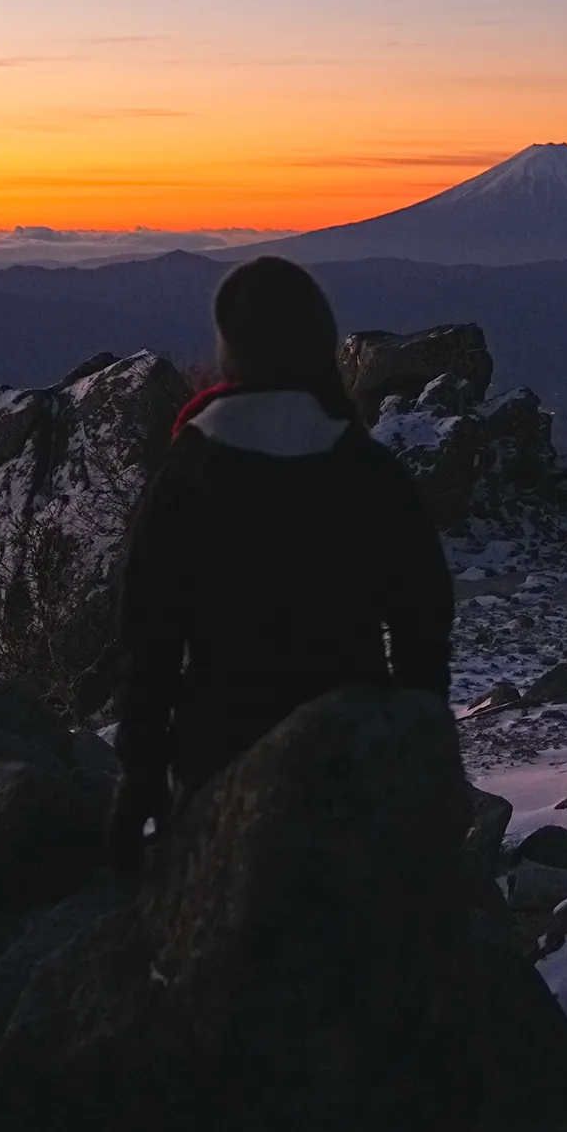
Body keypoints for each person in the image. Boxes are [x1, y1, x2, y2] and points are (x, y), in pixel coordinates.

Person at [107, 256, 454, 876]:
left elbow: (148, 637)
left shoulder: (188, 475)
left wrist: (140, 772)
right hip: (353, 758)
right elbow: (423, 620)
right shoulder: (369, 472)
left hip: (220, 759)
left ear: (232, 354)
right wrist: (415, 732)